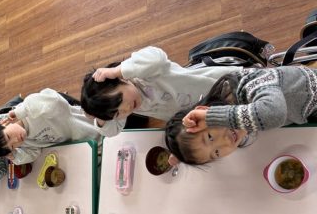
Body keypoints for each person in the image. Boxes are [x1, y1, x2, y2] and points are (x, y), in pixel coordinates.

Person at [165, 66, 317, 165]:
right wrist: (183, 155)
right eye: (216, 153)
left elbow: (274, 114)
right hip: (306, 115)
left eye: (210, 137)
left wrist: (213, 117)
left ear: (206, 112)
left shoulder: (246, 84)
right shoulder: (236, 117)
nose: (225, 143)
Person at [81, 46, 241, 137]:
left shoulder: (144, 75)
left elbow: (157, 58)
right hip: (208, 112)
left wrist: (117, 70)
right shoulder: (131, 106)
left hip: (222, 85)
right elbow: (111, 132)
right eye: (117, 114)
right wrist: (100, 117)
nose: (125, 109)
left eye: (119, 100)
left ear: (122, 79)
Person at [0, 90, 100, 165]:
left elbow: (56, 102)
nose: (17, 140)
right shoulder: (25, 140)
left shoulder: (29, 110)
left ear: (4, 122)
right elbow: (33, 153)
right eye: (12, 146)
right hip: (83, 146)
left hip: (94, 127)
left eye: (8, 137)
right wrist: (15, 156)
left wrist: (21, 112)